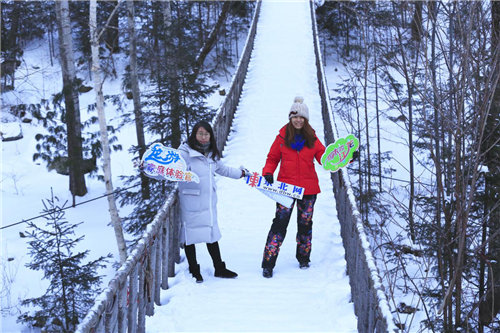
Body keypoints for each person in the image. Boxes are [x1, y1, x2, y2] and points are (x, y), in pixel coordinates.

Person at [260, 96, 326, 278]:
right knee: (279, 224)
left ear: (305, 120)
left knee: (305, 224)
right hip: (285, 189)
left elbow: (325, 158)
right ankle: (268, 263)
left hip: (308, 190)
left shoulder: (312, 138)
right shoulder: (281, 138)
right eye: (295, 116)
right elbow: (272, 158)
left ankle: (304, 258)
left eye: (301, 117)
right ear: (290, 118)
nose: (298, 120)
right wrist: (268, 172)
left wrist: (346, 157)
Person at [178, 120, 250, 283]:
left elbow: (223, 169)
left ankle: (219, 267)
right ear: (194, 135)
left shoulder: (211, 153)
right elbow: (169, 170)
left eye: (206, 134)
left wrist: (242, 174)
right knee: (190, 235)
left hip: (208, 202)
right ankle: (194, 269)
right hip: (191, 200)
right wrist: (148, 168)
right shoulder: (184, 153)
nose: (203, 137)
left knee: (211, 234)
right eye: (200, 133)